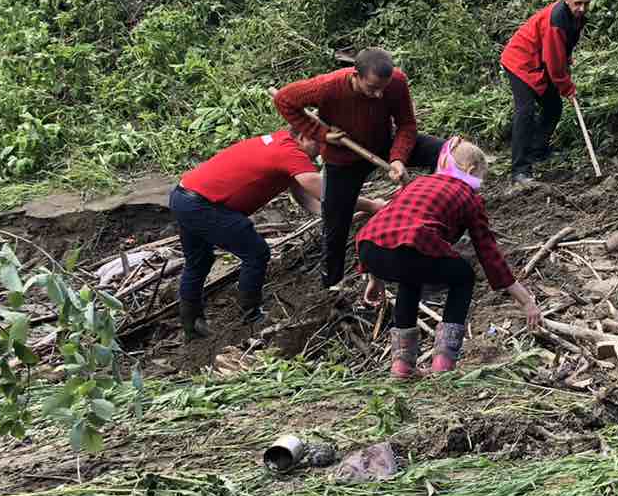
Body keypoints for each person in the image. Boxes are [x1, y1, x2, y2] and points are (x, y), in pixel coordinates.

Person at [354, 139, 542, 379]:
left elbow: (390, 225)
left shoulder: (418, 183)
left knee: (411, 280)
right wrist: (525, 301)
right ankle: (443, 364)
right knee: (463, 277)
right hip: (413, 245)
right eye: (481, 177)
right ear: (471, 170)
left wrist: (375, 278)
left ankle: (402, 367)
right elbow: (488, 254)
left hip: (369, 247)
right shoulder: (469, 197)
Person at [169, 128, 383, 337]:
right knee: (256, 253)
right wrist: (372, 205)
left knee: (199, 261)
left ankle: (192, 324)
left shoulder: (282, 144)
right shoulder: (290, 153)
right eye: (319, 144)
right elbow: (326, 192)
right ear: (302, 136)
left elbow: (309, 199)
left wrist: (338, 217)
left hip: (183, 197)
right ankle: (250, 317)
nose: (321, 151)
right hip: (203, 205)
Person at [273, 47, 446, 290]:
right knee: (335, 224)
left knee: (444, 152)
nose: (378, 94)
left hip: (383, 143)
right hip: (343, 159)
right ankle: (332, 284)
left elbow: (406, 124)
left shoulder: (396, 82)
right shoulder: (327, 86)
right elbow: (283, 99)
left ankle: (441, 221)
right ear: (356, 75)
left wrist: (398, 158)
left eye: (383, 88)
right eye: (372, 88)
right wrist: (322, 135)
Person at [500, 0, 592, 183]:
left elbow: (563, 47)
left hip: (538, 62)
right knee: (525, 111)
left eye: (586, 4)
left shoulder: (576, 17)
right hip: (520, 61)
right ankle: (520, 170)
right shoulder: (556, 19)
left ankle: (537, 151)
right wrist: (567, 87)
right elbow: (554, 62)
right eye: (577, 3)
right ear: (567, 0)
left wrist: (567, 59)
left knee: (552, 106)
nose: (582, 8)